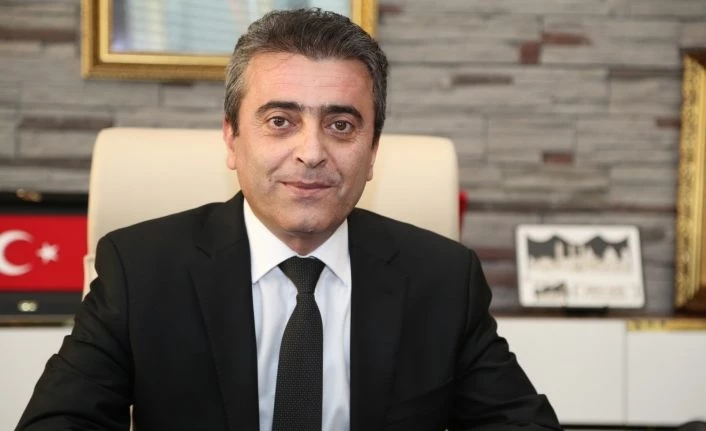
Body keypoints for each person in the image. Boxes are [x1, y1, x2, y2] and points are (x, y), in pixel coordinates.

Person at [17, 8, 562, 431]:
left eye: (341, 125)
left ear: (373, 151)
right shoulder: (140, 270)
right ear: (231, 138)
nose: (312, 152)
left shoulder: (442, 279)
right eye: (280, 120)